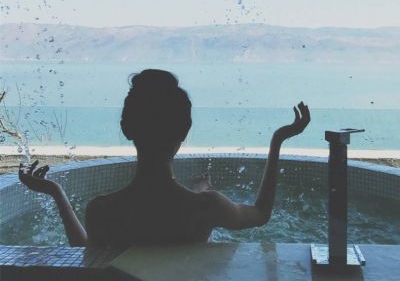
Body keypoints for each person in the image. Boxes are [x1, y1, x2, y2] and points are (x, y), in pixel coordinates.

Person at [19, 69, 310, 248]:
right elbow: (261, 214)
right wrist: (278, 139)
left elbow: (86, 253)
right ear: (184, 131)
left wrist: (57, 193)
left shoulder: (103, 210)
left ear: (127, 128)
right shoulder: (205, 207)